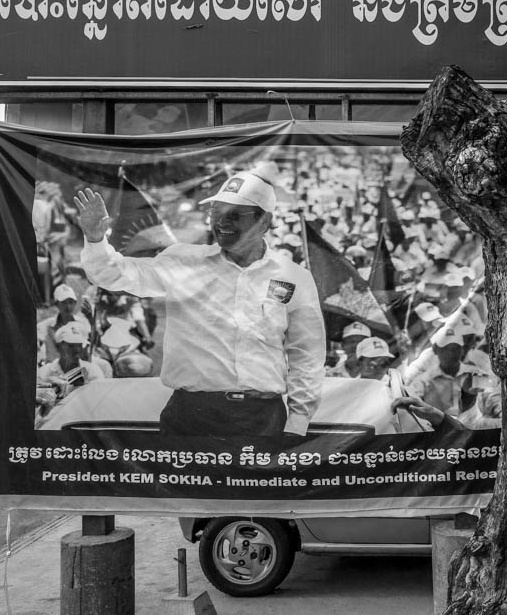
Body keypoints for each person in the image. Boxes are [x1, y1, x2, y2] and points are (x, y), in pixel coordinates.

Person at [74, 170, 326, 439]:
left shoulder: (293, 278)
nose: (221, 222)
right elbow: (114, 274)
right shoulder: (184, 262)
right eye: (216, 212)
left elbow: (307, 356)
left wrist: (298, 422)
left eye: (235, 214)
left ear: (265, 221)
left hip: (262, 420)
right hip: (190, 418)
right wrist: (95, 239)